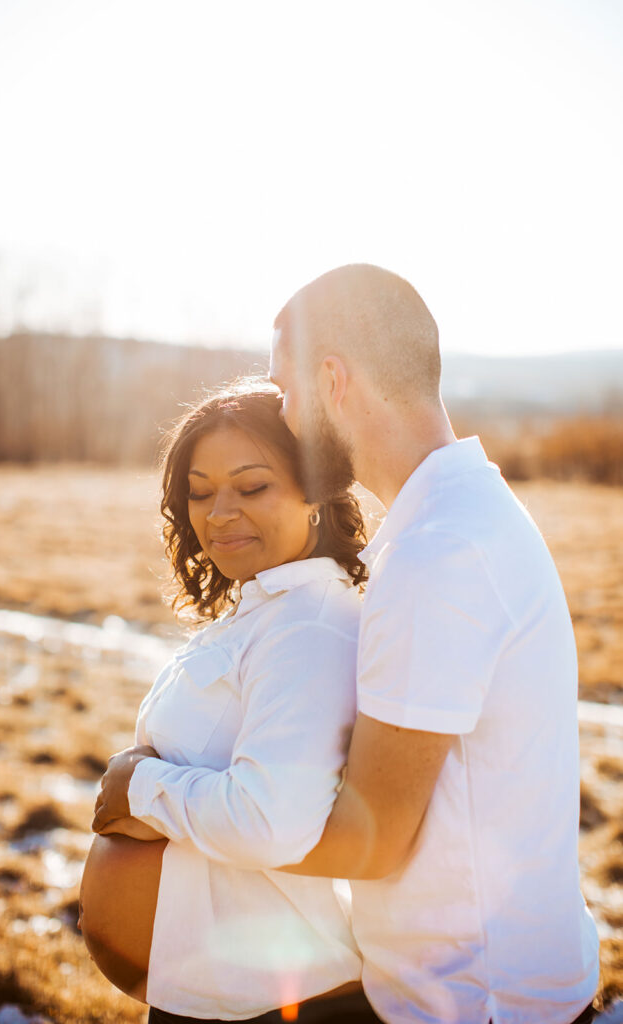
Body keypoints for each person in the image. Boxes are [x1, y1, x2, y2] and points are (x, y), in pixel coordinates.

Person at [267, 263, 600, 1024]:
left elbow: (371, 840)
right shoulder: (450, 516)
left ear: (332, 379)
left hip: (473, 1004)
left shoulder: (438, 552)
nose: (282, 416)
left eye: (285, 391)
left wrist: (183, 822)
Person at [81, 385, 383, 1023]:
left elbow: (268, 821)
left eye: (251, 488)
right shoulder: (267, 606)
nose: (218, 513)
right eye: (199, 490)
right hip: (224, 993)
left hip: (278, 1003)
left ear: (316, 490)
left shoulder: (308, 625)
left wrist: (138, 790)